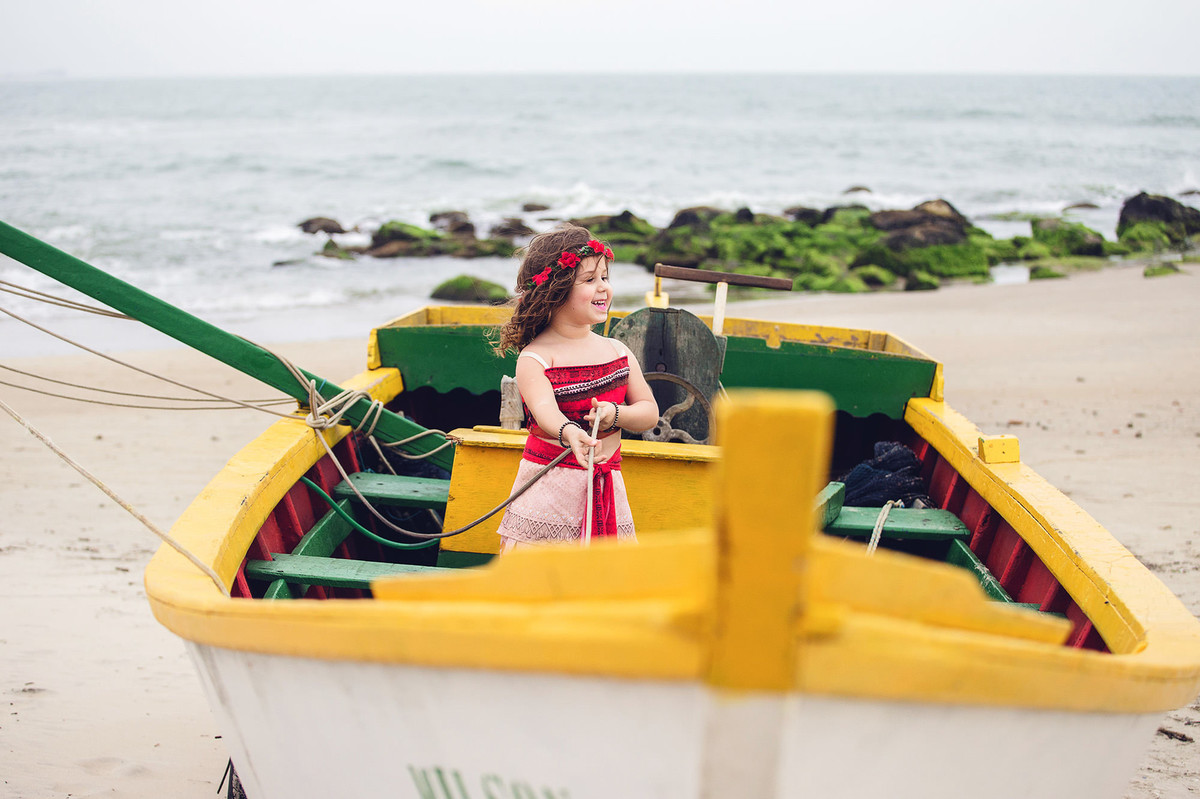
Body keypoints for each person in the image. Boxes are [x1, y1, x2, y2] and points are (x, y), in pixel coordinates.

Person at [492, 224, 658, 551]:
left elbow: (649, 412)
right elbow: (545, 411)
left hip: (607, 492)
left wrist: (615, 414)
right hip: (549, 493)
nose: (603, 288)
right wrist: (568, 431)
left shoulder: (618, 351)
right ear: (556, 290)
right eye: (589, 280)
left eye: (605, 277)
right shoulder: (536, 358)